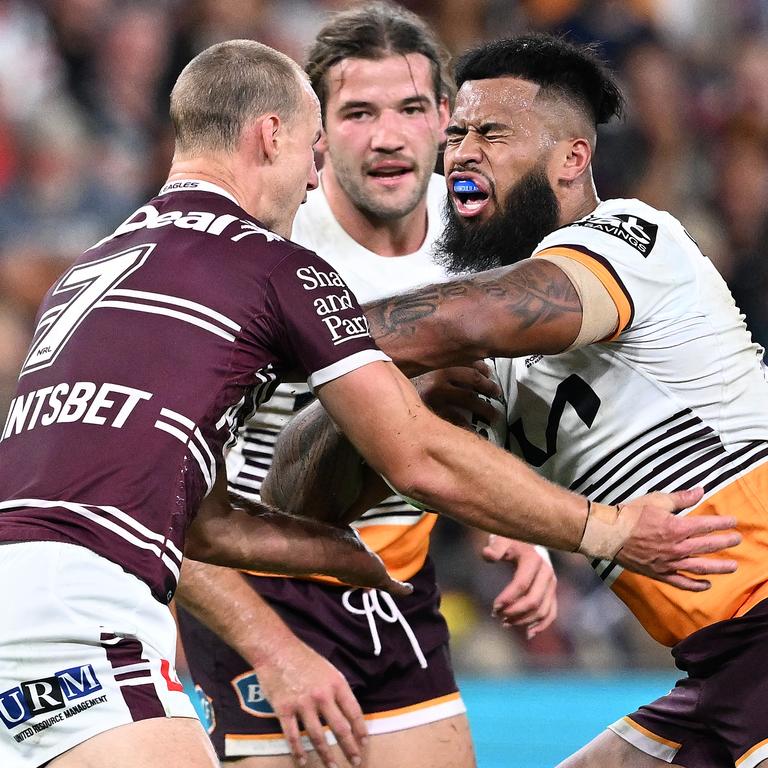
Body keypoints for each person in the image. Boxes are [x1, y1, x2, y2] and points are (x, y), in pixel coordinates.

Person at [0, 36, 740, 768]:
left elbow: (200, 516)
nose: (317, 174)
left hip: (55, 581)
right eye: (327, 136)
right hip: (97, 604)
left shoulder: (100, 267)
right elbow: (413, 451)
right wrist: (603, 529)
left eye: (415, 109)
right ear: (275, 136)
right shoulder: (272, 263)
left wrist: (349, 555)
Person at [264, 34, 768, 768]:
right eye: (457, 134)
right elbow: (299, 499)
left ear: (571, 158)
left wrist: (274, 331)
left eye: (492, 134)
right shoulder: (488, 362)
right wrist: (402, 392)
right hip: (721, 667)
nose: (460, 154)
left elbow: (474, 314)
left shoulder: (637, 241)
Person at [175, 5, 557, 768]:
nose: (389, 136)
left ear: (447, 118)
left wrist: (508, 514)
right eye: (357, 113)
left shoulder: (484, 234)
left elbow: (487, 401)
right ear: (313, 129)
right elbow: (174, 470)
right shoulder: (273, 239)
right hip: (261, 578)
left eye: (412, 108)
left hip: (395, 583)